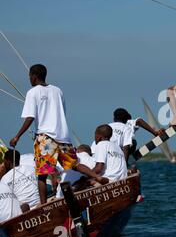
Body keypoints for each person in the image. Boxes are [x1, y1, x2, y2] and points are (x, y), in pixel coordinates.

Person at [9, 64, 99, 204]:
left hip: (45, 139)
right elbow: (62, 112)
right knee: (74, 164)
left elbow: (30, 117)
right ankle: (97, 177)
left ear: (34, 76)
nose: (29, 79)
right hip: (63, 137)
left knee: (42, 175)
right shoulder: (58, 91)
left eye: (29, 76)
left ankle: (44, 206)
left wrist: (17, 136)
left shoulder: (32, 92)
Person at [91, 108, 163, 163]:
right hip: (117, 153)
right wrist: (155, 133)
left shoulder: (107, 126)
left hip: (99, 153)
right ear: (127, 119)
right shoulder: (128, 124)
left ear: (114, 118)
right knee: (133, 142)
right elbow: (140, 121)